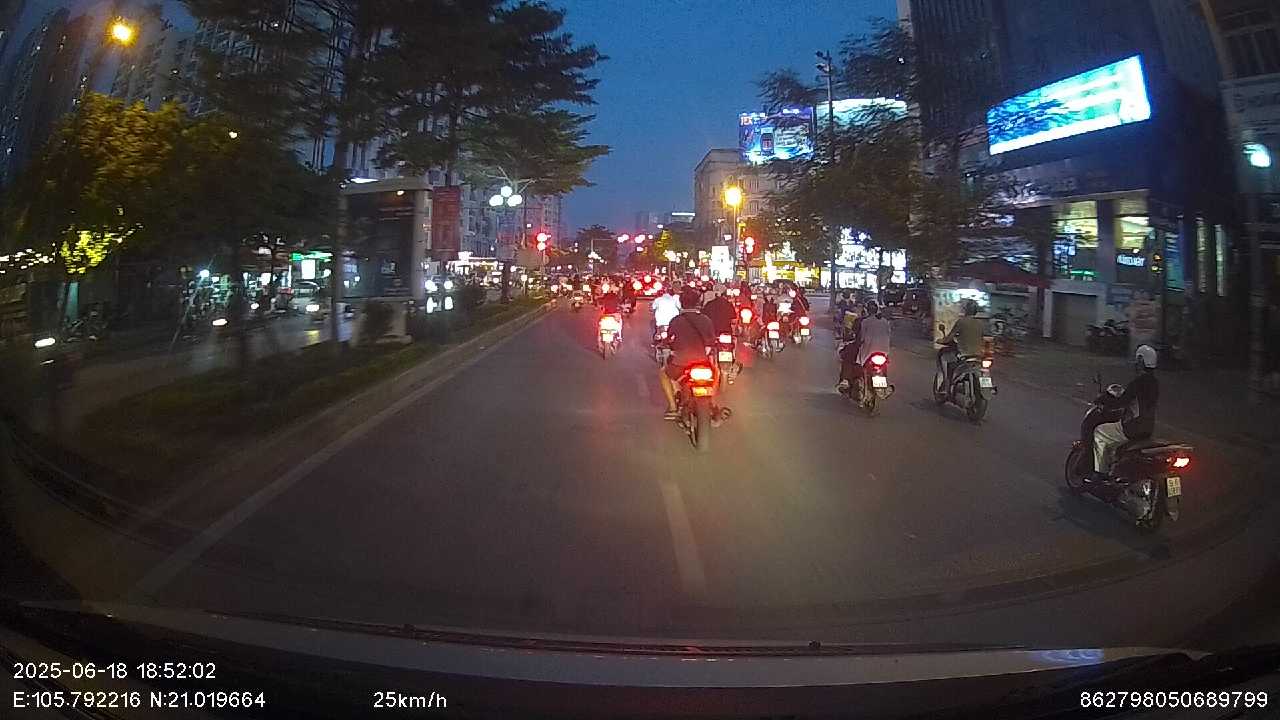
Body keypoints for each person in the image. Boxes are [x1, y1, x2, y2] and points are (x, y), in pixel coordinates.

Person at [1091, 345, 1160, 481]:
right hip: (1147, 428)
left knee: (1099, 431)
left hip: (1132, 427)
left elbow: (1121, 402)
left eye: (1137, 360)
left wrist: (1104, 401)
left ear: (1141, 361)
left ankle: (1100, 473)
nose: (1135, 364)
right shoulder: (1155, 383)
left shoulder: (1138, 382)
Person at [659, 288, 715, 420]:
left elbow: (668, 340)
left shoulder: (676, 321)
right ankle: (712, 403)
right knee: (716, 373)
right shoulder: (706, 320)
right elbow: (712, 340)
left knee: (663, 373)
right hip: (703, 362)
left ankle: (673, 407)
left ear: (681, 303)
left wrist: (665, 344)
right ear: (698, 303)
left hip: (681, 364)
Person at [838, 301, 891, 393]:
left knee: (847, 355)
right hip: (884, 351)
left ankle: (845, 380)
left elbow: (861, 338)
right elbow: (888, 335)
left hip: (868, 350)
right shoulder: (885, 322)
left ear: (866, 310)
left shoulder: (864, 321)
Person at [938, 299, 985, 388]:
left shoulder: (961, 321)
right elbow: (985, 338)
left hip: (963, 355)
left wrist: (941, 340)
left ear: (966, 310)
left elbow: (949, 338)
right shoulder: (980, 324)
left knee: (945, 358)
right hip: (979, 356)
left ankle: (947, 382)